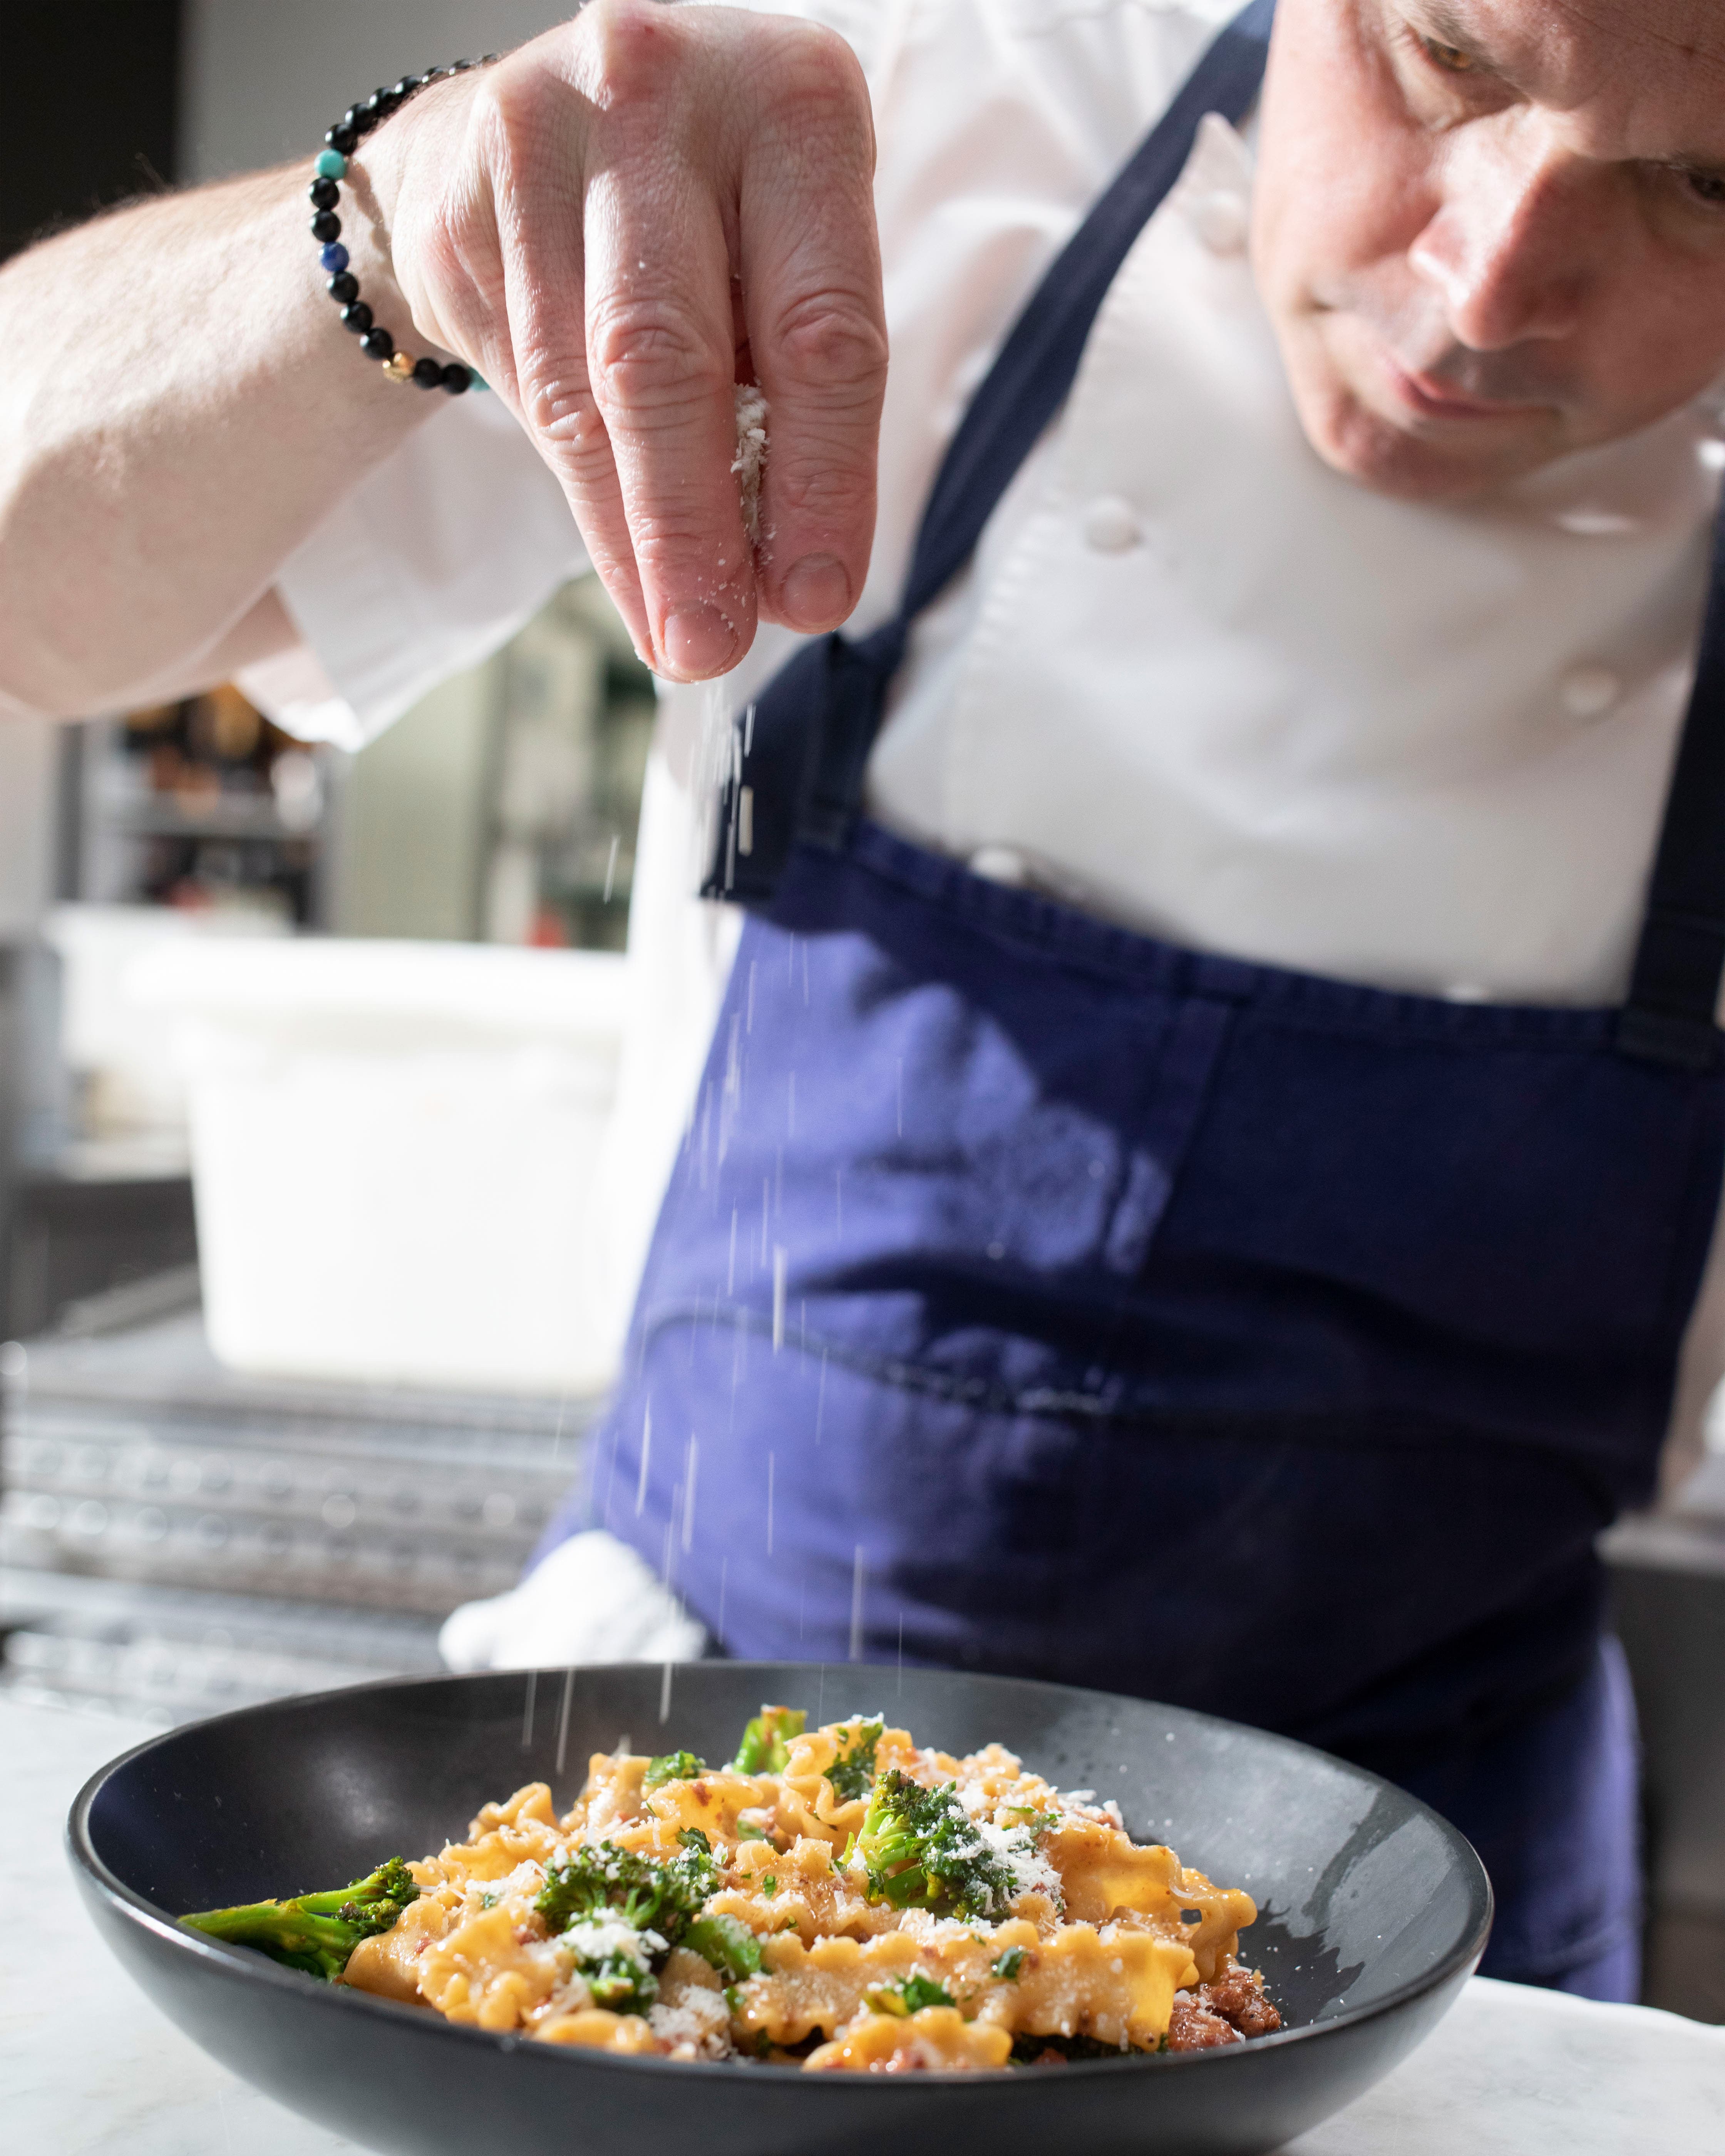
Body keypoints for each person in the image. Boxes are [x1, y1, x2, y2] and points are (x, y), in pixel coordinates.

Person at [6, 0, 1725, 2003]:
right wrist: (387, 229)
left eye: (1709, 182)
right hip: (673, 1871)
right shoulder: (908, 110)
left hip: (1440, 1959)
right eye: (1452, 57)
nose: (1494, 274)